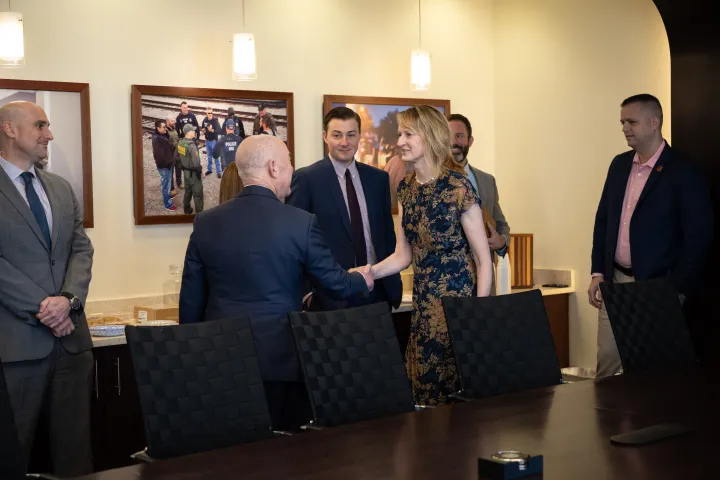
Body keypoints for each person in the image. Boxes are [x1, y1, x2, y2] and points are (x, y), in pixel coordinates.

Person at [179, 135, 373, 430]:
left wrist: (196, 356)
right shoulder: (300, 223)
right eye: (288, 163)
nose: (292, 170)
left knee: (228, 457)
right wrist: (362, 279)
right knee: (282, 457)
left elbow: (191, 300)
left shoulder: (206, 222)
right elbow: (335, 284)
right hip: (280, 361)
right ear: (273, 168)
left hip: (220, 361)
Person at [368, 105, 493, 405]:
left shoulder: (457, 187)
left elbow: (484, 260)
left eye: (408, 134)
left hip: (458, 310)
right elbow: (402, 256)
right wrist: (368, 273)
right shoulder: (407, 190)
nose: (400, 141)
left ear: (430, 137)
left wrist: (476, 315)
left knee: (457, 402)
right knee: (424, 397)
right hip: (424, 311)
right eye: (400, 134)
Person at [0, 101, 95, 476]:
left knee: (77, 456)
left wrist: (68, 301)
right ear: (9, 129)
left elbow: (81, 248)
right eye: (40, 125)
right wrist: (46, 307)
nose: (49, 134)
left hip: (72, 345)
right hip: (17, 346)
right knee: (13, 455)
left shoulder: (59, 188)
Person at [589, 93, 713, 377]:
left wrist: (676, 286)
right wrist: (598, 272)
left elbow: (699, 235)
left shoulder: (682, 170)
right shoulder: (619, 165)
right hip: (615, 281)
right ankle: (606, 421)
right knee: (607, 363)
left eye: (631, 121)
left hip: (659, 287)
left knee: (653, 371)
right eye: (622, 122)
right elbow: (603, 221)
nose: (624, 128)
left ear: (654, 122)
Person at [287, 106, 402, 312]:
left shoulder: (378, 179)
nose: (344, 142)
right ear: (325, 136)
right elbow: (294, 240)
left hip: (378, 293)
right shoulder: (307, 179)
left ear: (359, 136)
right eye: (337, 135)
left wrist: (393, 285)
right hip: (330, 297)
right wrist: (307, 293)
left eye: (351, 135)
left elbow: (387, 234)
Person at [448, 113, 510, 293]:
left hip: (484, 284)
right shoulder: (431, 181)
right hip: (448, 285)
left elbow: (501, 224)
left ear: (470, 140)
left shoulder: (487, 180)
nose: (453, 142)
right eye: (448, 136)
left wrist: (501, 241)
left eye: (459, 136)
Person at [151, 120, 177, 211]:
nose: (165, 128)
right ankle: (168, 204)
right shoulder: (157, 139)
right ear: (158, 128)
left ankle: (168, 198)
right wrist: (168, 163)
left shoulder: (163, 135)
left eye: (165, 126)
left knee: (168, 183)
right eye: (163, 127)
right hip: (164, 166)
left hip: (168, 164)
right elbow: (160, 156)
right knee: (166, 185)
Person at [177, 124, 204, 214]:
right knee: (197, 193)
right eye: (193, 130)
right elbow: (196, 163)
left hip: (185, 172)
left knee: (187, 191)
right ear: (189, 132)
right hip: (194, 174)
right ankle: (200, 214)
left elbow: (176, 156)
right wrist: (201, 172)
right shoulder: (192, 146)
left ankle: (187, 209)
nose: (194, 132)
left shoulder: (180, 142)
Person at [201, 107, 222, 178]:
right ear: (206, 113)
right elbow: (203, 128)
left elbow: (219, 131)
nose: (210, 114)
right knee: (209, 156)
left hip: (214, 142)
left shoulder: (215, 121)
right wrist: (203, 131)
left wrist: (212, 130)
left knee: (216, 156)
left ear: (212, 113)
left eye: (211, 113)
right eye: (208, 113)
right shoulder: (205, 120)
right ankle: (209, 169)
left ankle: (218, 171)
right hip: (207, 141)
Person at [166, 116, 182, 191]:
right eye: (172, 121)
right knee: (171, 172)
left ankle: (179, 182)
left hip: (177, 153)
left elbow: (177, 138)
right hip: (171, 155)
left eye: (174, 120)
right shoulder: (165, 131)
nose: (174, 122)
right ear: (168, 122)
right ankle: (171, 187)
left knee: (179, 168)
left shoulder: (174, 128)